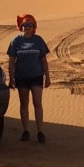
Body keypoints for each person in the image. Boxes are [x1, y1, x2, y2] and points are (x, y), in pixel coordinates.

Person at [6, 14, 50, 143]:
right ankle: (26, 131)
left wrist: (48, 77)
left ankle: (40, 131)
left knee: (37, 103)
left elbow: (44, 60)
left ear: (34, 26)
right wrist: (11, 78)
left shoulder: (38, 41)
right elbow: (11, 62)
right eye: (24, 25)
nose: (27, 27)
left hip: (36, 76)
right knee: (24, 104)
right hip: (22, 77)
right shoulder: (16, 41)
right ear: (21, 27)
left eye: (30, 25)